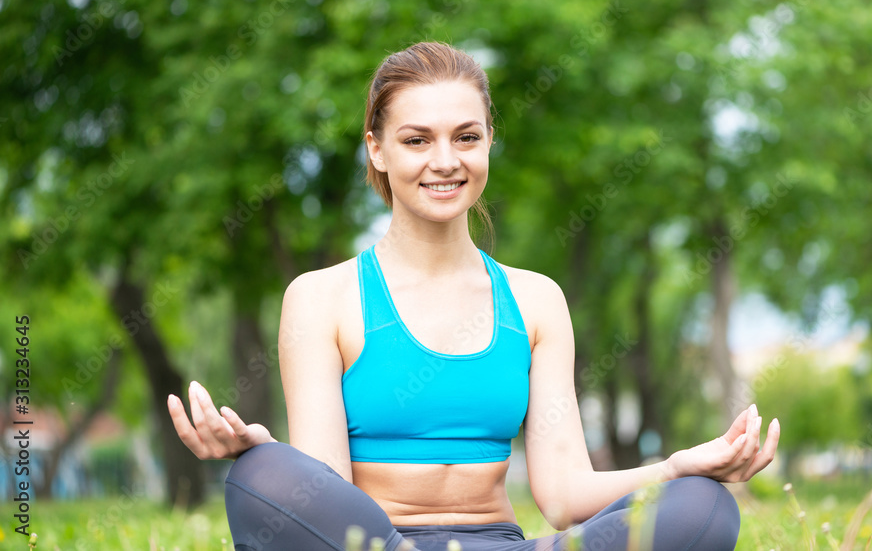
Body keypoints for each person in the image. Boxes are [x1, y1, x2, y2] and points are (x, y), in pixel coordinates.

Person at [167, 41, 780, 551]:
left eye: (466, 137)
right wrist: (272, 456)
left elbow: (564, 497)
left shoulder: (536, 301)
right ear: (376, 149)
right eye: (416, 140)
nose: (444, 160)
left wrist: (675, 468)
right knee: (263, 475)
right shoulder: (321, 297)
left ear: (489, 143)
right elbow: (325, 489)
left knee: (702, 509)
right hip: (376, 544)